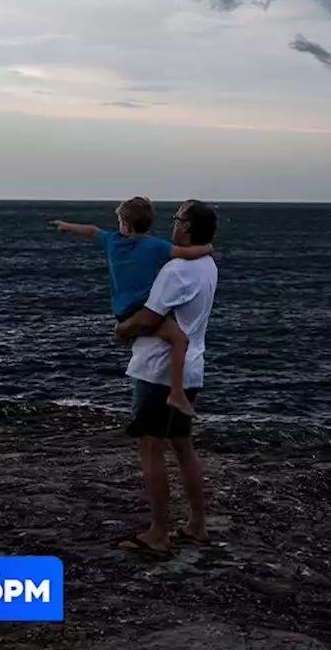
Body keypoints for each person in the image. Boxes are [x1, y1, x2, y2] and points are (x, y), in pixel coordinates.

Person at [114, 198, 219, 557]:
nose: (173, 223)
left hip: (158, 372)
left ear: (187, 226)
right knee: (183, 446)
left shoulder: (176, 271)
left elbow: (147, 318)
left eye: (177, 218)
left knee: (151, 447)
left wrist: (122, 328)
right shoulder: (207, 266)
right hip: (190, 369)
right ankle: (197, 525)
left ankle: (158, 533)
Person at [52, 196, 213, 417]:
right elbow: (186, 253)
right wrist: (208, 248)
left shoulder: (111, 240)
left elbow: (91, 230)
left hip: (122, 311)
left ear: (125, 224)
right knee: (180, 339)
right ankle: (176, 393)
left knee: (165, 333)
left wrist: (67, 226)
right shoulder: (153, 245)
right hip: (140, 309)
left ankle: (171, 387)